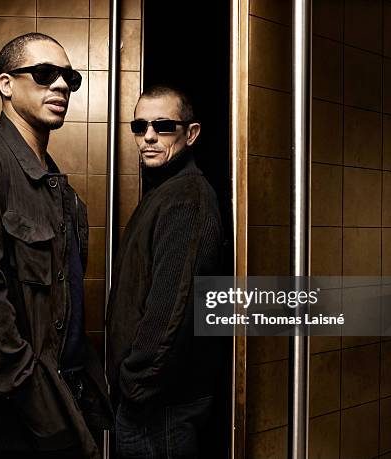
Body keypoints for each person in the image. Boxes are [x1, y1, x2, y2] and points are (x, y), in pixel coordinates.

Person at [0, 33, 111, 459]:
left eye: (69, 76)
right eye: (45, 73)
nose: (61, 85)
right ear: (6, 84)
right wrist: (34, 399)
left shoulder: (58, 188)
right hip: (17, 416)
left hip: (62, 400)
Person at [106, 84, 225, 458]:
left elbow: (172, 310)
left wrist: (136, 384)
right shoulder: (166, 193)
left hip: (160, 410)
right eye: (140, 127)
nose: (149, 137)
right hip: (151, 405)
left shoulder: (187, 199)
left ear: (191, 134)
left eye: (163, 126)